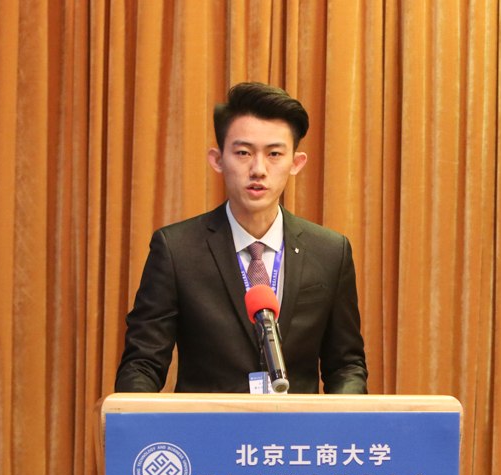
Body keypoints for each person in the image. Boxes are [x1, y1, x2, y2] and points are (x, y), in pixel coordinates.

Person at [115, 82, 367, 394]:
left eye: (274, 154)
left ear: (296, 163)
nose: (258, 169)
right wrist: (133, 415)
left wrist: (343, 417)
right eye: (243, 153)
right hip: (208, 424)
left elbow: (345, 365)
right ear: (217, 159)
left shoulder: (330, 251)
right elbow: (143, 362)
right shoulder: (177, 250)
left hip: (296, 427)